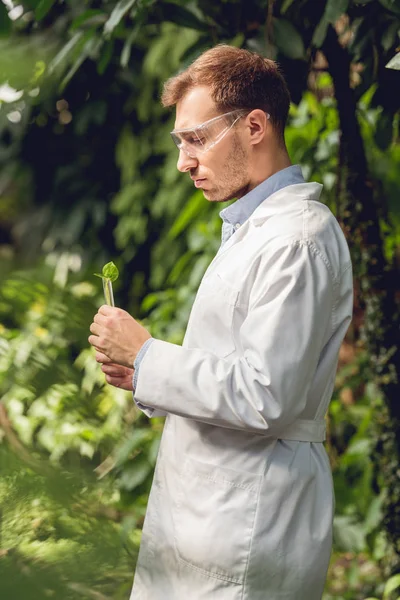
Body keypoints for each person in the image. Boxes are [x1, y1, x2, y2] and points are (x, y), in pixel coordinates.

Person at [88, 45, 353, 600]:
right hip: (207, 520)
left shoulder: (297, 240)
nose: (184, 161)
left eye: (196, 138)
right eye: (180, 142)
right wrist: (143, 375)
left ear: (255, 125)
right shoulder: (255, 229)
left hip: (249, 527)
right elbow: (231, 369)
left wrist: (148, 355)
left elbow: (266, 393)